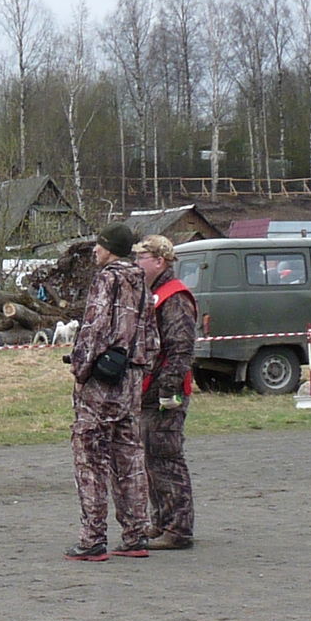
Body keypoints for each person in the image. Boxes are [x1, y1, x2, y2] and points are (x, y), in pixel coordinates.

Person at [65, 222, 159, 562]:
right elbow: (152, 336)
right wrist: (140, 369)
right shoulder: (141, 281)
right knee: (129, 458)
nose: (95, 250)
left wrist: (80, 370)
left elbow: (94, 328)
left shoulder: (107, 279)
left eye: (100, 245)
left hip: (102, 384)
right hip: (131, 380)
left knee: (90, 459)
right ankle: (135, 535)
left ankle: (92, 539)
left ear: (111, 249)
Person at [134, 235, 196, 550]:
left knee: (166, 459)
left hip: (164, 392)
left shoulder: (174, 296)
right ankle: (161, 521)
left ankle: (178, 528)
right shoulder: (155, 294)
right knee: (152, 459)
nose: (136, 263)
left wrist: (168, 391)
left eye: (141, 258)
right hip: (150, 389)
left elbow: (180, 347)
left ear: (159, 261)